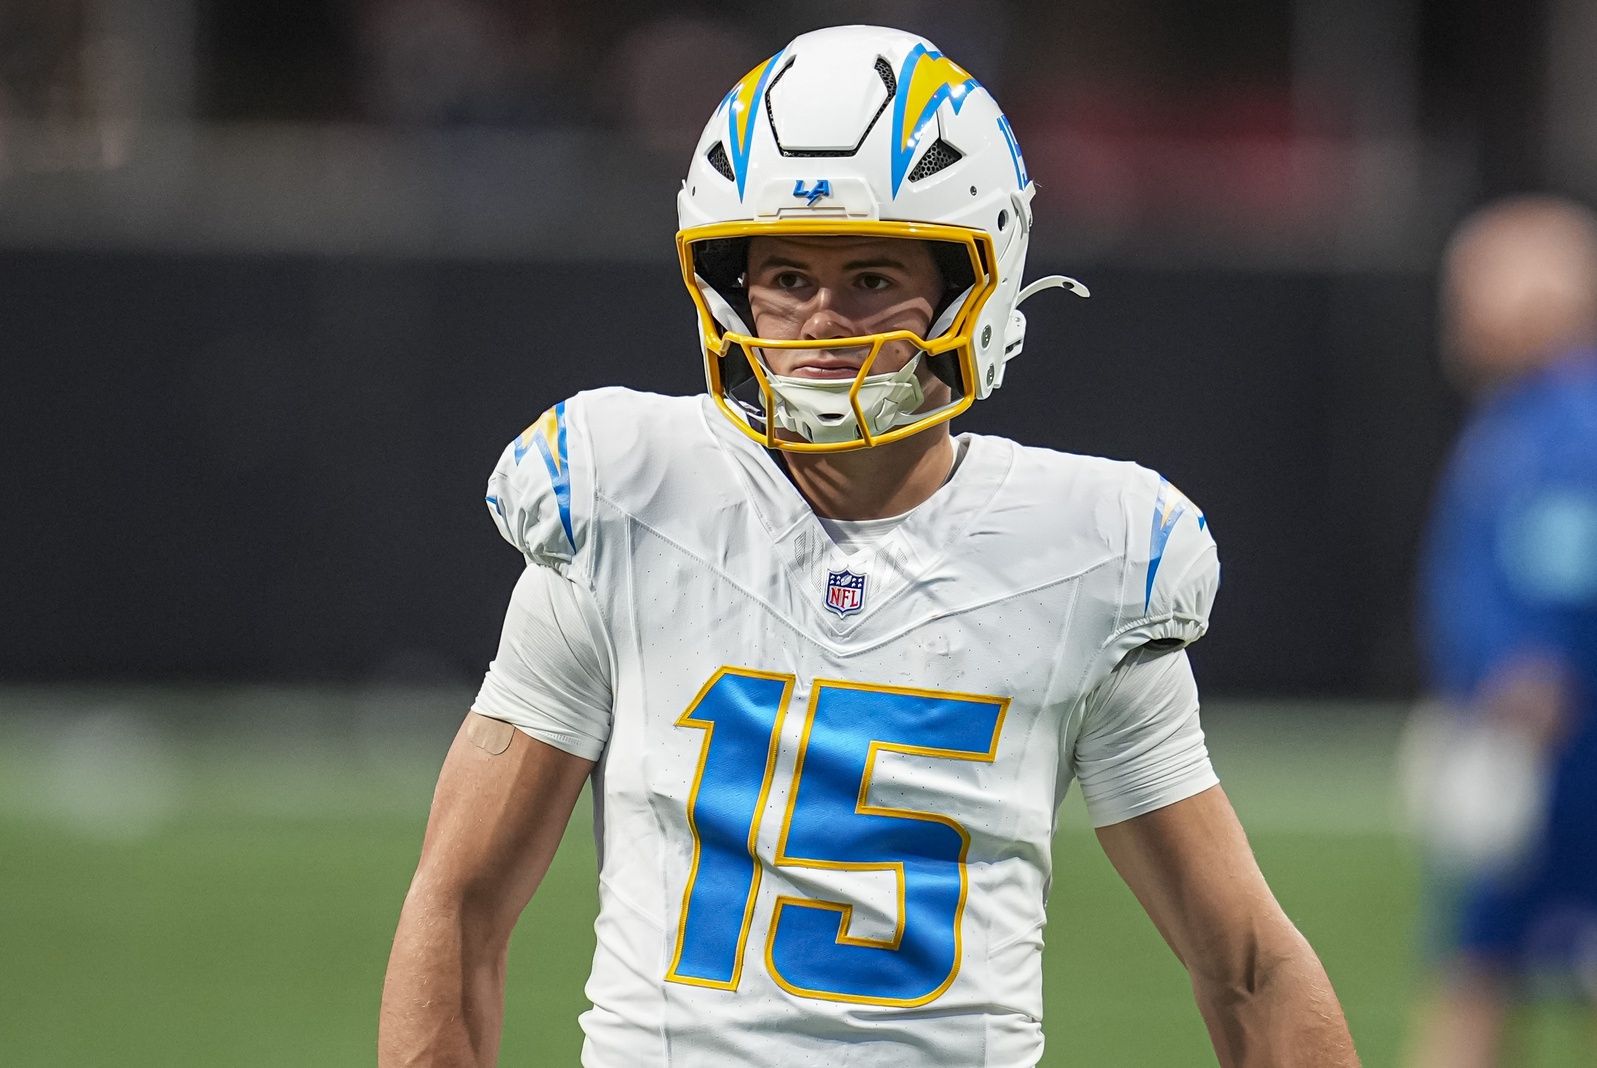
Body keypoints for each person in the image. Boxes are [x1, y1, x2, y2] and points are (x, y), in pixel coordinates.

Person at [379, 25, 1357, 1066]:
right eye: (787, 277)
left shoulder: (1086, 558)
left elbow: (1248, 964)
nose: (820, 322)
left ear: (970, 285)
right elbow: (460, 903)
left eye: (872, 280)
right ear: (727, 284)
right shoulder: (625, 502)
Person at [1404, 196, 1597, 1068]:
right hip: (1540, 752)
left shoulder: (1567, 422)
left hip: (1562, 764)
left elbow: (1558, 582)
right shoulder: (1519, 415)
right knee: (1477, 971)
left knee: (1477, 974)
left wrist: (1523, 703)